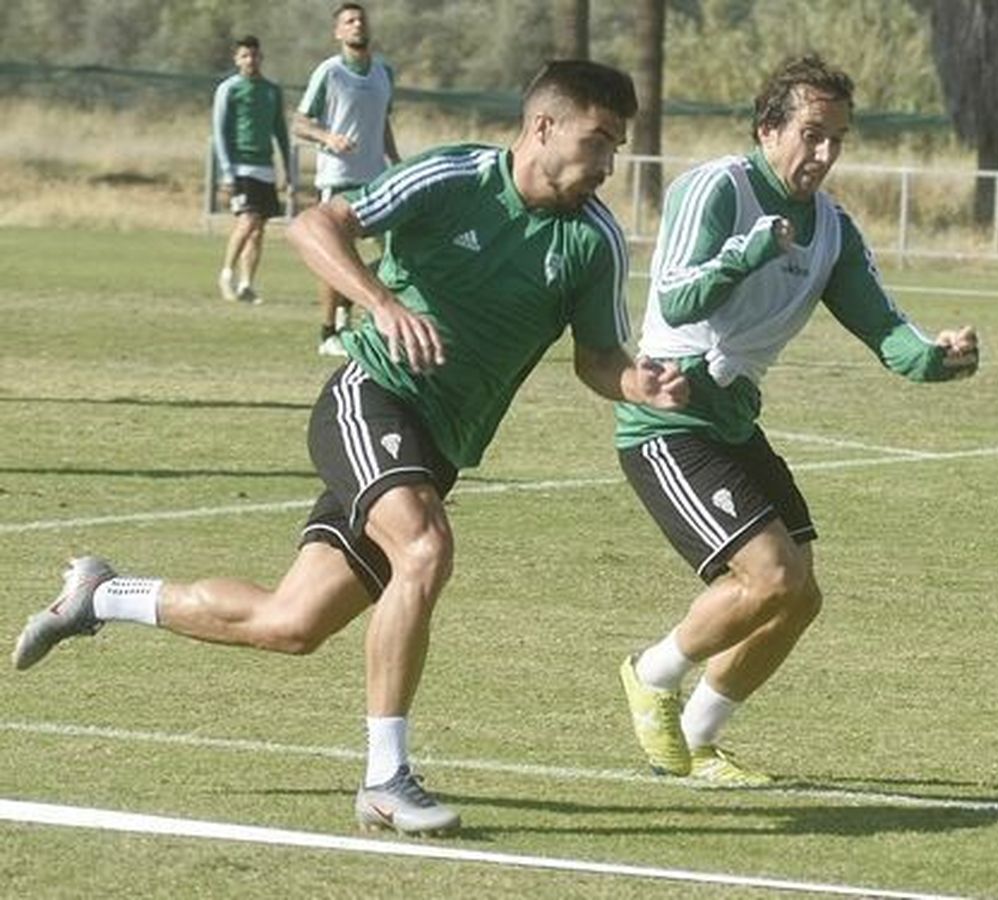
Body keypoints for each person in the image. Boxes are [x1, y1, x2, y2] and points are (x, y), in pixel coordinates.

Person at [12, 61, 684, 834]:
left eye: (617, 147)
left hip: (435, 449)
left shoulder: (594, 240)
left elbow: (598, 358)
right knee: (425, 548)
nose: (608, 164)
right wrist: (382, 303)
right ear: (543, 127)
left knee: (291, 623)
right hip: (371, 396)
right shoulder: (454, 176)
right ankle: (386, 780)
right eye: (598, 141)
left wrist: (638, 384)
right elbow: (314, 224)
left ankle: (99, 596)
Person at [613, 54, 980, 785]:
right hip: (668, 419)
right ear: (768, 130)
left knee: (799, 595)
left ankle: (699, 738)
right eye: (812, 135)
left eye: (837, 139)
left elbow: (887, 330)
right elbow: (678, 298)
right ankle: (652, 674)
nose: (825, 154)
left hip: (734, 420)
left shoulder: (833, 229)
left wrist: (940, 357)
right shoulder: (717, 187)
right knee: (772, 576)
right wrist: (748, 252)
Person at [293, 2, 399, 357]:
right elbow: (300, 123)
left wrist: (395, 162)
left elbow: (383, 123)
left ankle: (350, 307)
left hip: (377, 181)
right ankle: (329, 333)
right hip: (338, 178)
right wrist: (329, 138)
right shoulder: (330, 72)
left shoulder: (384, 73)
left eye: (361, 20)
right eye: (349, 21)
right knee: (335, 253)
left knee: (399, 249)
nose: (357, 25)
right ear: (338, 32)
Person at [211, 35, 291, 305]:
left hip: (264, 167)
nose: (250, 60)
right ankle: (226, 274)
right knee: (247, 220)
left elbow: (280, 131)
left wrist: (287, 168)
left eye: (254, 55)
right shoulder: (229, 89)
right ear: (237, 59)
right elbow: (220, 132)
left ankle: (247, 284)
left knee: (258, 229)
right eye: (245, 56)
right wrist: (227, 171)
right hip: (240, 166)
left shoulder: (271, 90)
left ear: (261, 57)